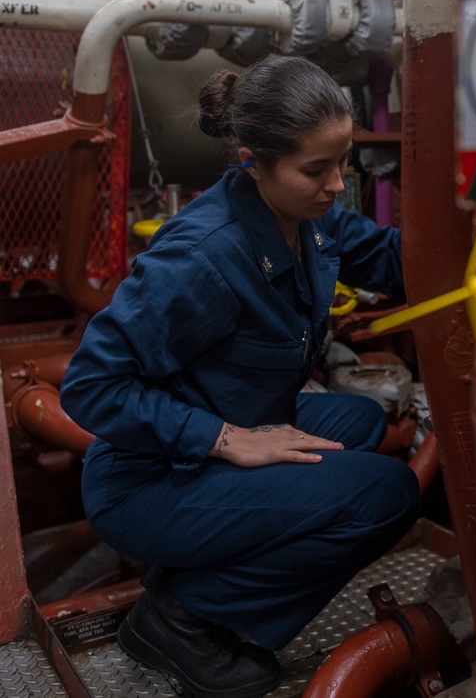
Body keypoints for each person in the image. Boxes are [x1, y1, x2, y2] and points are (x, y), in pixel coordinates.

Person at [60, 56, 421, 698]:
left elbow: (393, 260)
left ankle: (186, 577)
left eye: (344, 162)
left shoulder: (308, 214)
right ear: (254, 159)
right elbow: (90, 385)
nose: (337, 185)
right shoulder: (202, 255)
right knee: (386, 493)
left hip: (223, 429)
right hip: (146, 478)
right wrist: (228, 439)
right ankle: (183, 619)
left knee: (360, 422)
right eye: (317, 169)